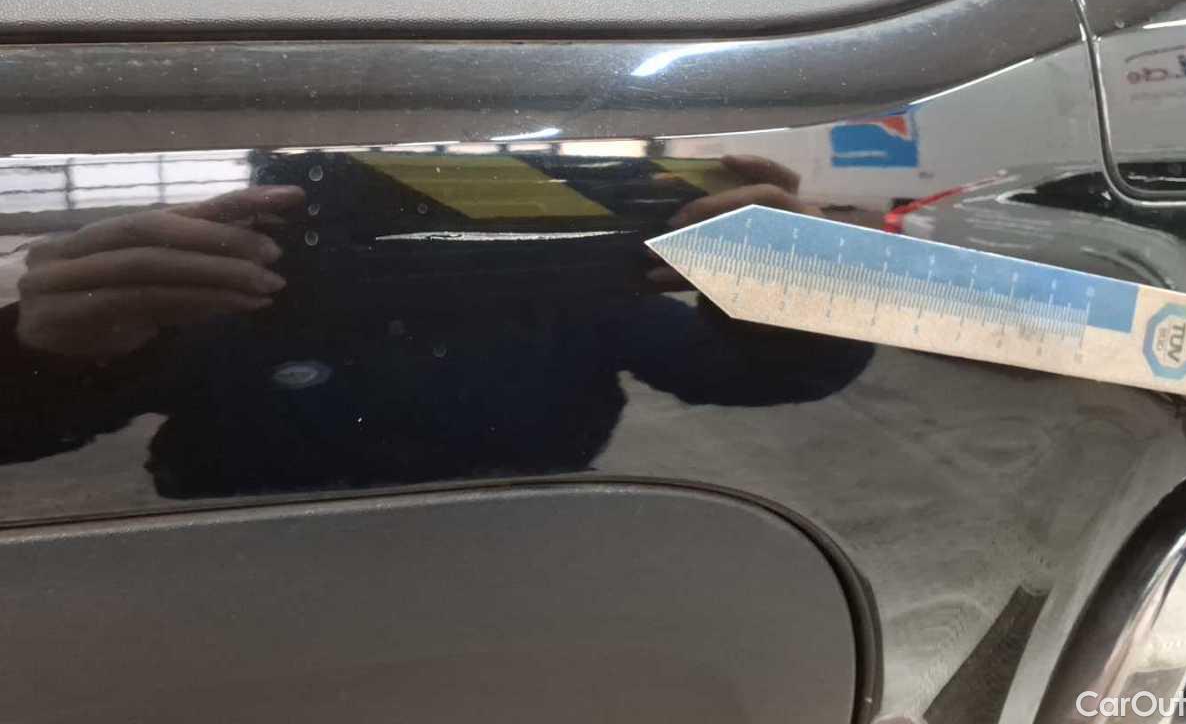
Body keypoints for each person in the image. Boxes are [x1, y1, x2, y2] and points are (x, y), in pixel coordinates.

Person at [1, 156, 872, 498]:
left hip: (522, 557)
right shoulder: (222, 287)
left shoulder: (563, 285)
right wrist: (43, 348)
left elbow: (758, 374)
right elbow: (23, 430)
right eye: (354, 190)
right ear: (275, 189)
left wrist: (806, 290)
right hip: (239, 568)